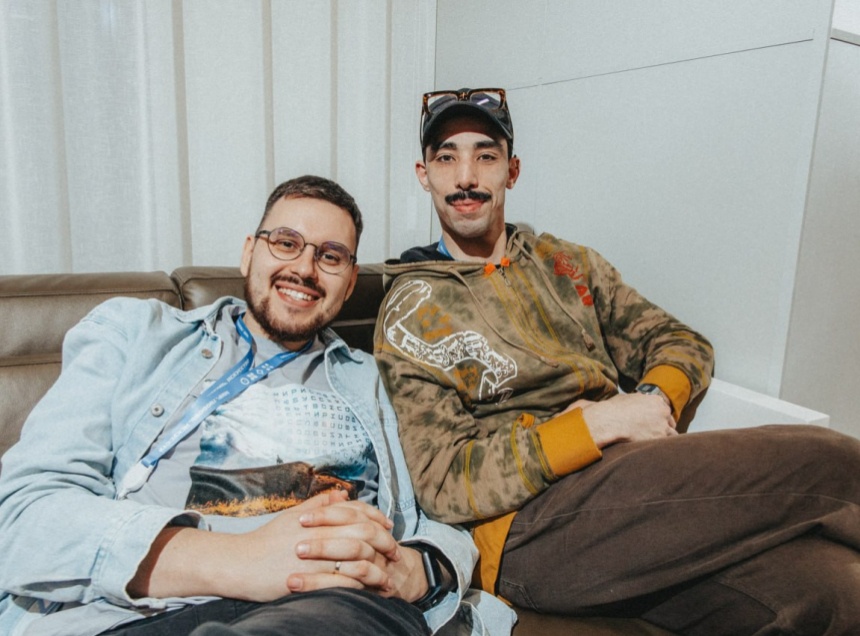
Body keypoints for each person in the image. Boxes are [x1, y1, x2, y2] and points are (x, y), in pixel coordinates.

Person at [373, 88, 860, 635]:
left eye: (485, 156)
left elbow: (679, 341)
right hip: (526, 525)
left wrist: (649, 402)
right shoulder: (411, 312)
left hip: (628, 490)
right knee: (831, 463)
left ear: (512, 170)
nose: (466, 177)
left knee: (833, 592)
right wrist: (595, 425)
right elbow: (443, 482)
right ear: (424, 175)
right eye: (446, 157)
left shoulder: (565, 263)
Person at [0, 175, 515, 636]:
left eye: (331, 256)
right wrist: (241, 560)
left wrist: (421, 571)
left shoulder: (379, 380)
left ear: (350, 282)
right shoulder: (133, 334)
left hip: (335, 610)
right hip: (142, 614)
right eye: (286, 243)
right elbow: (22, 518)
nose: (304, 268)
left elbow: (441, 509)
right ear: (249, 253)